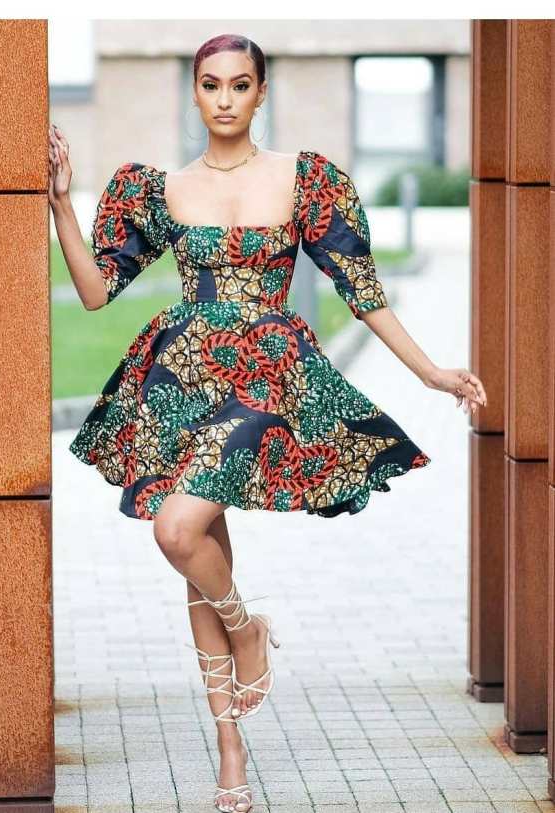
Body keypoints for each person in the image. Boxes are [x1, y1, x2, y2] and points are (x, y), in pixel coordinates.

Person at [47, 33, 487, 813]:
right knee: (200, 550)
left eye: (240, 84)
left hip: (264, 379)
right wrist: (60, 204)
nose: (225, 99)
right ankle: (230, 751)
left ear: (261, 92)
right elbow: (92, 290)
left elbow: (363, 292)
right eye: (211, 84)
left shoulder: (303, 179)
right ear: (194, 92)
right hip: (183, 378)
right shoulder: (163, 188)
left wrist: (431, 373)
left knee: (176, 530)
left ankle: (248, 628)